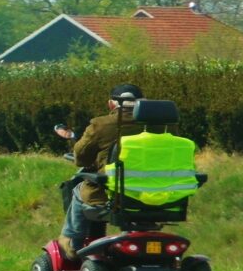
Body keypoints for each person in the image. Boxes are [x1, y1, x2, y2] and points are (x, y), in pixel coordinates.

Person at [58, 84, 175, 260]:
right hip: (159, 195)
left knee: (78, 190)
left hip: (113, 196)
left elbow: (81, 158)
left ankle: (73, 245)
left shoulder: (101, 125)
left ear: (111, 105)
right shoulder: (164, 126)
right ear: (142, 103)